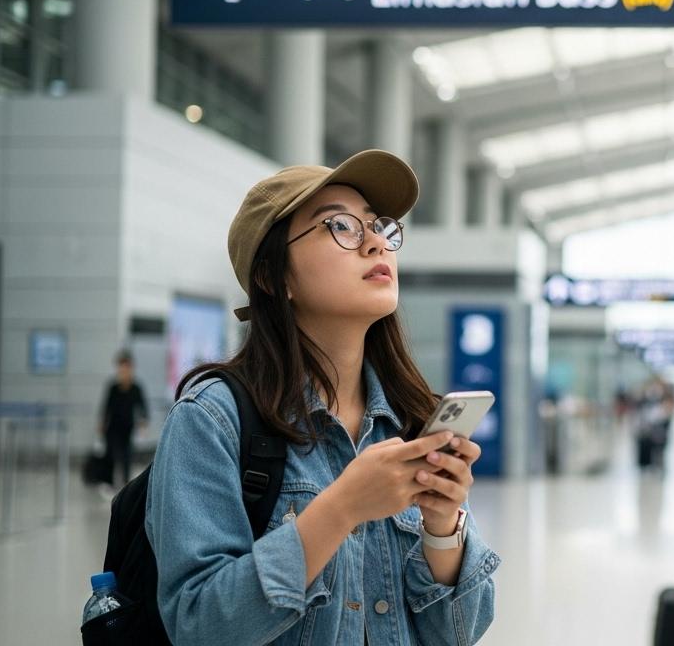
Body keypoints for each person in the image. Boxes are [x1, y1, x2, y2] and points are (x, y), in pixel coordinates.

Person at [145, 151, 498, 645]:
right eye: (341, 226)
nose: (375, 242)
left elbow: (459, 633)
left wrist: (442, 527)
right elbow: (198, 624)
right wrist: (341, 509)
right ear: (273, 277)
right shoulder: (213, 419)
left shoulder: (410, 419)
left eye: (378, 226)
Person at [99, 350, 148, 489]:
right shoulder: (113, 387)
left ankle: (126, 484)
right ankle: (109, 482)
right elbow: (106, 406)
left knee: (126, 456)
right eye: (120, 368)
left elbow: (143, 407)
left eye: (126, 368)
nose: (123, 371)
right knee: (111, 454)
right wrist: (102, 423)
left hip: (127, 427)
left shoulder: (136, 388)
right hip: (112, 427)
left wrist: (143, 422)